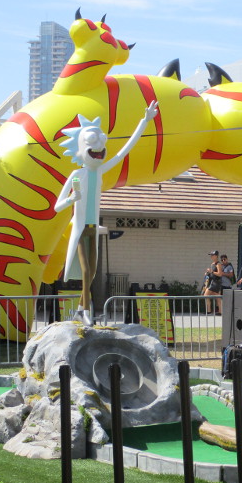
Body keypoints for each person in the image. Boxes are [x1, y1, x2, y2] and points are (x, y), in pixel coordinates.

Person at [54, 101, 158, 325]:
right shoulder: (77, 174)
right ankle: (86, 311)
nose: (99, 146)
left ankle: (80, 309)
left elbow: (123, 151)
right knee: (85, 271)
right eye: (92, 141)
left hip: (94, 230)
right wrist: (72, 199)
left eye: (101, 140)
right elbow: (57, 206)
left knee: (92, 273)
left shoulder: (99, 171)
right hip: (81, 230)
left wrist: (144, 121)